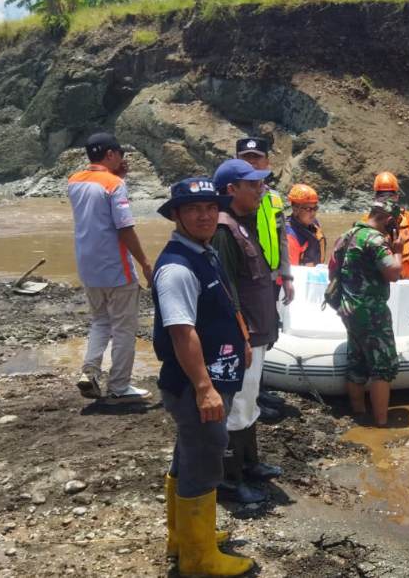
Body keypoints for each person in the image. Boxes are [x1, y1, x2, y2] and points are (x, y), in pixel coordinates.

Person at [151, 176, 253, 577]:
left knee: (188, 454)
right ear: (176, 215)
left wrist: (240, 339)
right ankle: (198, 560)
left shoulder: (202, 251)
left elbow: (221, 304)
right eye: (194, 209)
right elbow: (182, 332)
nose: (205, 214)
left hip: (212, 378)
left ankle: (187, 537)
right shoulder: (176, 267)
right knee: (205, 459)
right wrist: (205, 388)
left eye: (211, 207)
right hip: (196, 386)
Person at [211, 159, 284, 504]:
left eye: (260, 184)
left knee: (250, 400)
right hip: (244, 335)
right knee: (237, 404)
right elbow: (227, 291)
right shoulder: (224, 230)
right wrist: (239, 335)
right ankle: (229, 478)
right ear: (231, 190)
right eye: (253, 185)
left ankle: (251, 463)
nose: (260, 190)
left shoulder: (247, 222)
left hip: (258, 329)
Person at [66, 132, 152, 403]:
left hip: (87, 266)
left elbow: (96, 212)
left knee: (101, 320)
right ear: (112, 154)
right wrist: (146, 263)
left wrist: (119, 177)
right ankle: (119, 385)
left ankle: (90, 371)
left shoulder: (74, 181)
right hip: (115, 268)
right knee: (124, 327)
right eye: (121, 155)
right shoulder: (113, 184)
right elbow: (124, 227)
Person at [235, 137, 292, 417]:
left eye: (256, 157)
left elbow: (282, 238)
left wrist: (287, 276)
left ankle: (258, 389)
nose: (251, 162)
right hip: (248, 280)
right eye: (245, 157)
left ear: (267, 163)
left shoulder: (273, 197)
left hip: (271, 277)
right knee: (250, 336)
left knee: (268, 335)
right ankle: (249, 399)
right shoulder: (232, 197)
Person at [333, 200, 403, 426]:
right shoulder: (376, 240)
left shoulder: (347, 235)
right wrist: (398, 251)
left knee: (357, 361)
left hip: (348, 308)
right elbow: (393, 272)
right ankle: (381, 423)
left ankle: (359, 413)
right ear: (389, 220)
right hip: (372, 312)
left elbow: (333, 269)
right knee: (382, 368)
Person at [367, 171, 409, 279]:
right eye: (382, 195)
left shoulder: (406, 218)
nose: (387, 199)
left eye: (390, 195)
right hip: (380, 279)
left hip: (404, 276)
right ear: (375, 198)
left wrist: (408, 276)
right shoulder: (367, 221)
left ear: (397, 196)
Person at [286, 183, 327, 266]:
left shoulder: (314, 224)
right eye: (308, 209)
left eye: (315, 208)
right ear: (295, 209)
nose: (313, 213)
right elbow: (292, 271)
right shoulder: (290, 236)